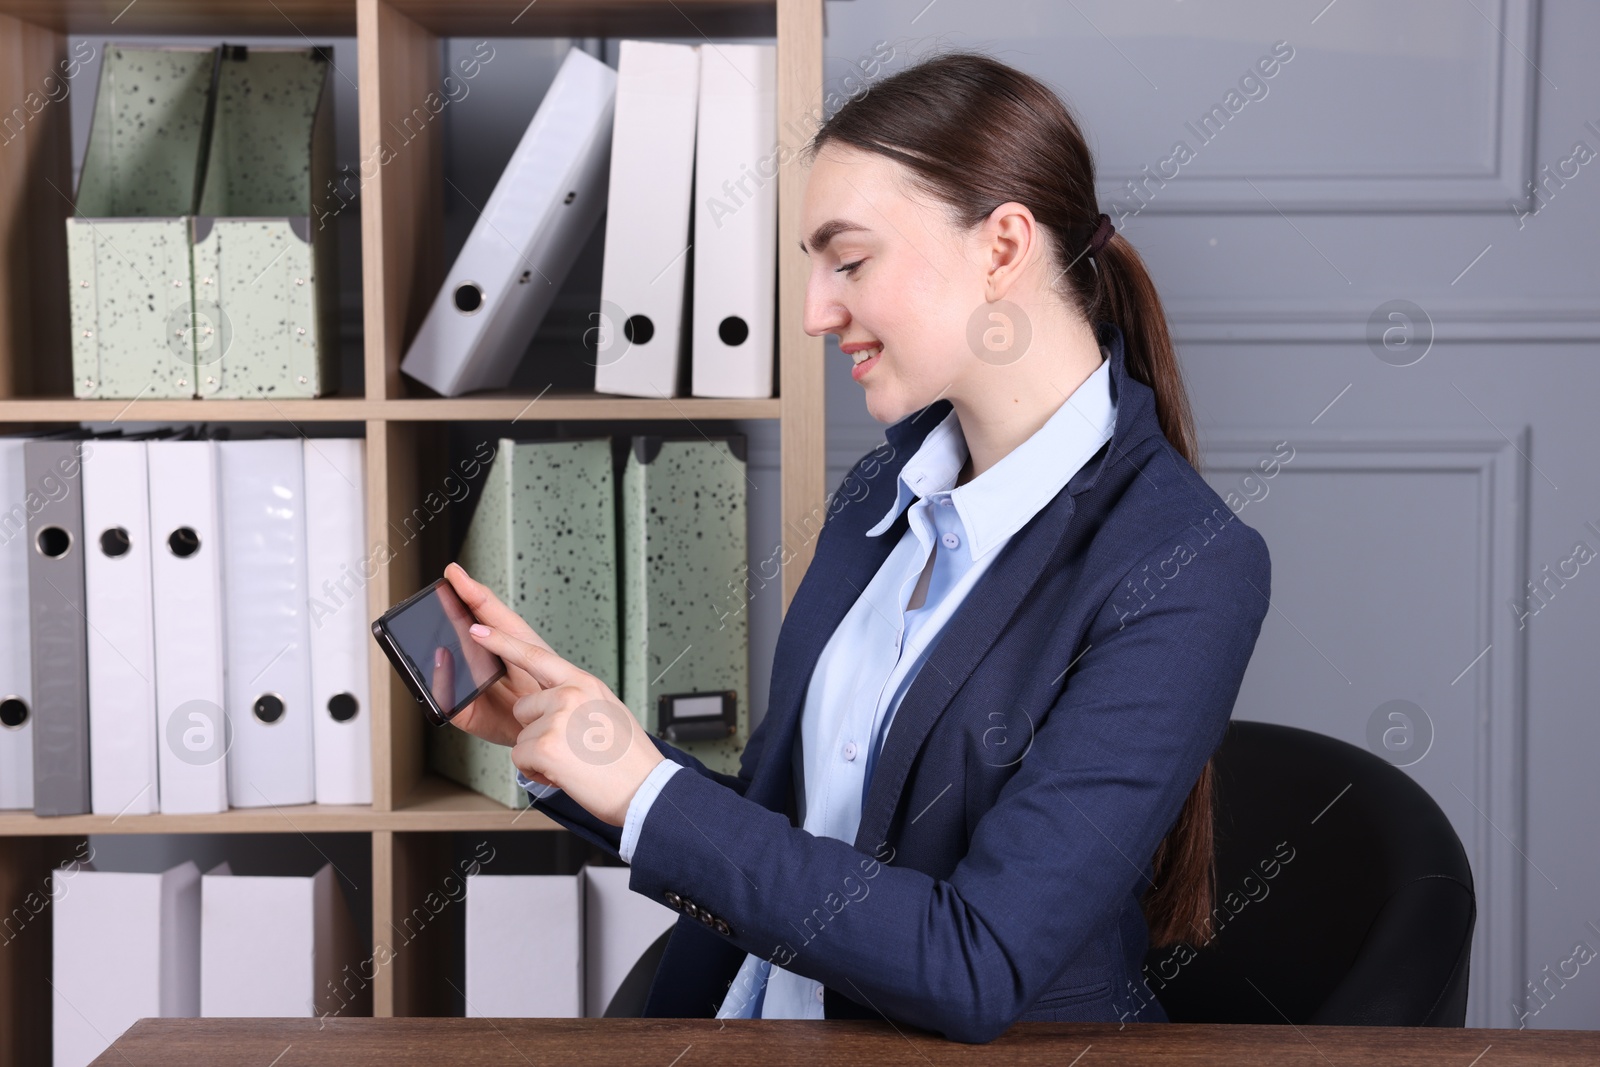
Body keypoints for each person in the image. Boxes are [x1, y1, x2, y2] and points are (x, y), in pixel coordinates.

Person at [443, 50, 1271, 1043]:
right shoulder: (887, 488)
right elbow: (791, 837)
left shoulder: (1185, 565)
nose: (812, 312)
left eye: (850, 260)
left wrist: (648, 789)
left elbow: (979, 959)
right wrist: (578, 746)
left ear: (1003, 246)